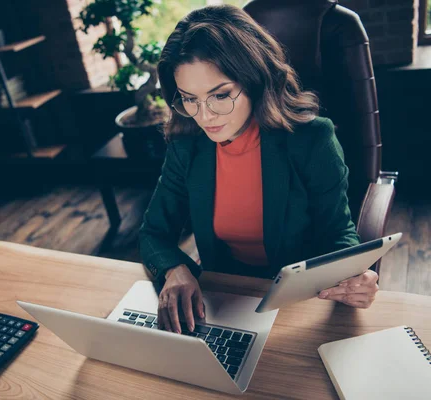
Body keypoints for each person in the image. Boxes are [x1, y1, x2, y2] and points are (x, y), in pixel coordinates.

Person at [138, 5, 379, 335]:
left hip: (298, 304)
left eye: (220, 95)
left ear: (254, 80)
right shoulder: (188, 144)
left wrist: (354, 277)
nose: (204, 116)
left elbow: (337, 232)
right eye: (189, 99)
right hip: (224, 303)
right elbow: (153, 233)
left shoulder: (312, 139)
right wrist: (175, 269)